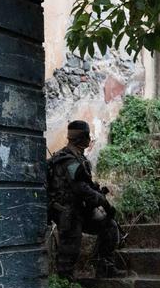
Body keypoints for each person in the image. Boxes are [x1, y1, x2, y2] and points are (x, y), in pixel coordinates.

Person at [47, 120, 123, 279]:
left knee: (109, 225)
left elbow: (85, 185)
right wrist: (101, 199)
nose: (90, 139)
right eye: (88, 135)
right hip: (68, 212)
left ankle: (104, 267)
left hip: (80, 210)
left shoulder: (78, 157)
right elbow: (79, 188)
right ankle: (66, 285)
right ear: (81, 138)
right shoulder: (68, 160)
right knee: (70, 250)